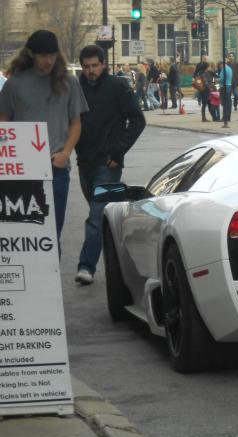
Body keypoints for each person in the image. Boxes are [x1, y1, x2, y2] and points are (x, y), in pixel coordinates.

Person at [0, 30, 88, 249]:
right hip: (21, 169)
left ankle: (51, 282)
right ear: (30, 53)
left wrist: (66, 153)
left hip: (55, 166)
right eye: (43, 55)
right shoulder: (14, 84)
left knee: (51, 237)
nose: (49, 60)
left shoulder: (68, 82)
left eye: (52, 54)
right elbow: (3, 122)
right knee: (23, 236)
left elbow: (76, 124)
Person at [73, 45, 146, 285]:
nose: (90, 71)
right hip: (85, 162)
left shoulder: (118, 86)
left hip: (109, 164)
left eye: (95, 65)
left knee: (95, 215)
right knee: (102, 216)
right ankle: (121, 264)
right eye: (86, 67)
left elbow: (137, 120)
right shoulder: (77, 87)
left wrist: (118, 150)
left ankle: (86, 267)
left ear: (103, 64)